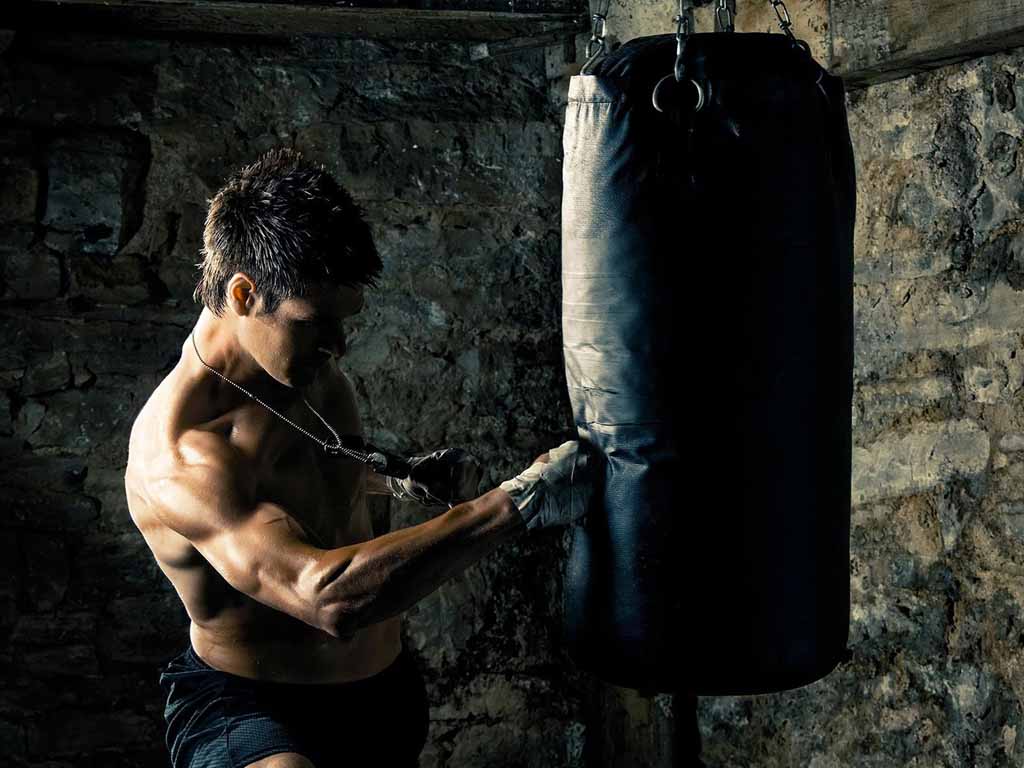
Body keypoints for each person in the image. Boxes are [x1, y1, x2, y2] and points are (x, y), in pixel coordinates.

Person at [123, 147, 595, 768]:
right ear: (243, 294)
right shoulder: (180, 455)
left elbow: (295, 480)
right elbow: (324, 598)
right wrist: (518, 503)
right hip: (256, 709)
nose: (339, 346)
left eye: (344, 320)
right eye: (315, 321)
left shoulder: (303, 370)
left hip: (383, 694)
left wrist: (396, 479)